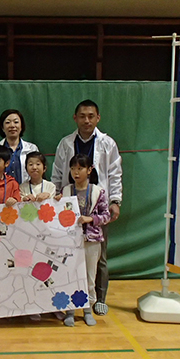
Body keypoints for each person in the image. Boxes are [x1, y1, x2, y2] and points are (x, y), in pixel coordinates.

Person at [51, 99, 122, 316]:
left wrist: (115, 201)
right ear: (75, 118)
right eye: (82, 116)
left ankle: (99, 299)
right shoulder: (66, 143)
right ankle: (68, 299)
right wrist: (55, 196)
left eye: (91, 116)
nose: (87, 120)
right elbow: (57, 172)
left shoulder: (107, 143)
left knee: (98, 256)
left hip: (96, 205)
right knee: (67, 254)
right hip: (69, 205)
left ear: (98, 118)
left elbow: (114, 173)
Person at [56, 154, 110, 327]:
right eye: (73, 169)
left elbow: (106, 216)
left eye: (80, 168)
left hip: (91, 241)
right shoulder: (65, 191)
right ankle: (70, 311)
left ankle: (87, 310)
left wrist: (91, 219)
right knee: (70, 275)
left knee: (89, 277)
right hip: (69, 241)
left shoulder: (98, 191)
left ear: (89, 170)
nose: (76, 172)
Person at [0, 109, 39, 184]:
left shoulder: (32, 149)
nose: (12, 126)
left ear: (21, 126)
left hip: (26, 190)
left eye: (16, 122)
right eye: (8, 122)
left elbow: (37, 174)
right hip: (2, 190)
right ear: (2, 127)